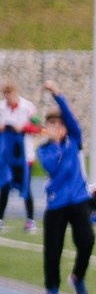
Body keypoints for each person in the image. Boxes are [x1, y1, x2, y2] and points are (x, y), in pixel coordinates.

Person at [33, 85, 94, 294]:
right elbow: (53, 168)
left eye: (60, 124)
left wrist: (58, 94)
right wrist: (57, 144)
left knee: (87, 241)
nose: (56, 127)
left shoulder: (74, 140)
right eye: (51, 124)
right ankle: (52, 287)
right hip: (56, 202)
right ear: (46, 127)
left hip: (78, 199)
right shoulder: (44, 150)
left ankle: (78, 277)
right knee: (53, 247)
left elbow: (71, 118)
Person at [0, 81, 38, 229]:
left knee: (26, 187)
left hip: (25, 157)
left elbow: (38, 127)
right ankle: (1, 219)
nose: (8, 99)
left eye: (10, 95)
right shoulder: (1, 108)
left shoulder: (28, 108)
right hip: (6, 157)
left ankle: (30, 220)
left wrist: (24, 127)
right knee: (4, 187)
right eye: (5, 95)